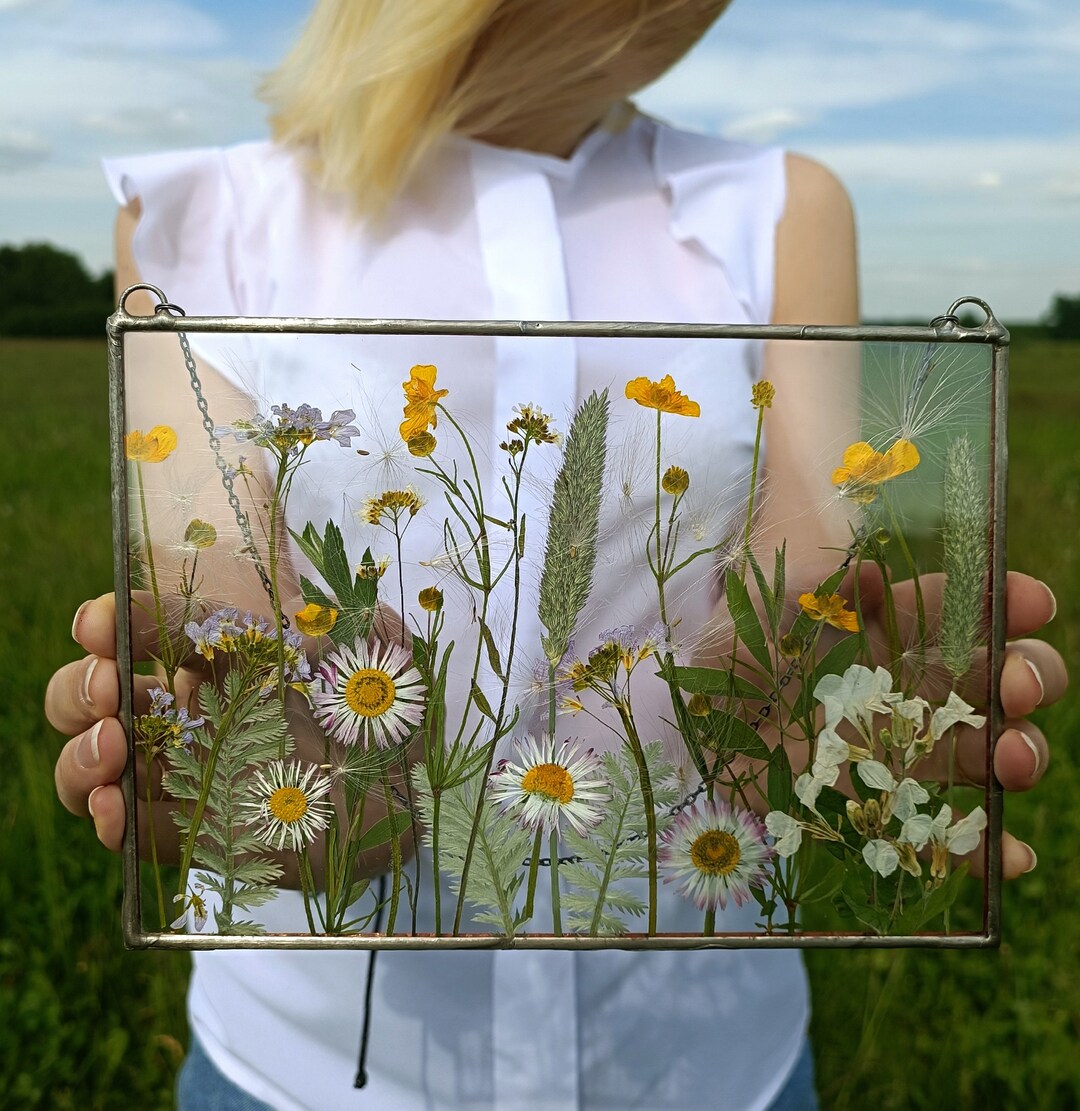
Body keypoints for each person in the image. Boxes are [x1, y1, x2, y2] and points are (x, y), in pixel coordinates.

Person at [45, 1, 1066, 1108]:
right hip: (310, 1064)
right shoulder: (203, 217)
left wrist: (828, 749)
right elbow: (227, 594)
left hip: (704, 1051)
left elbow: (798, 582)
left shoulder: (777, 210)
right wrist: (275, 761)